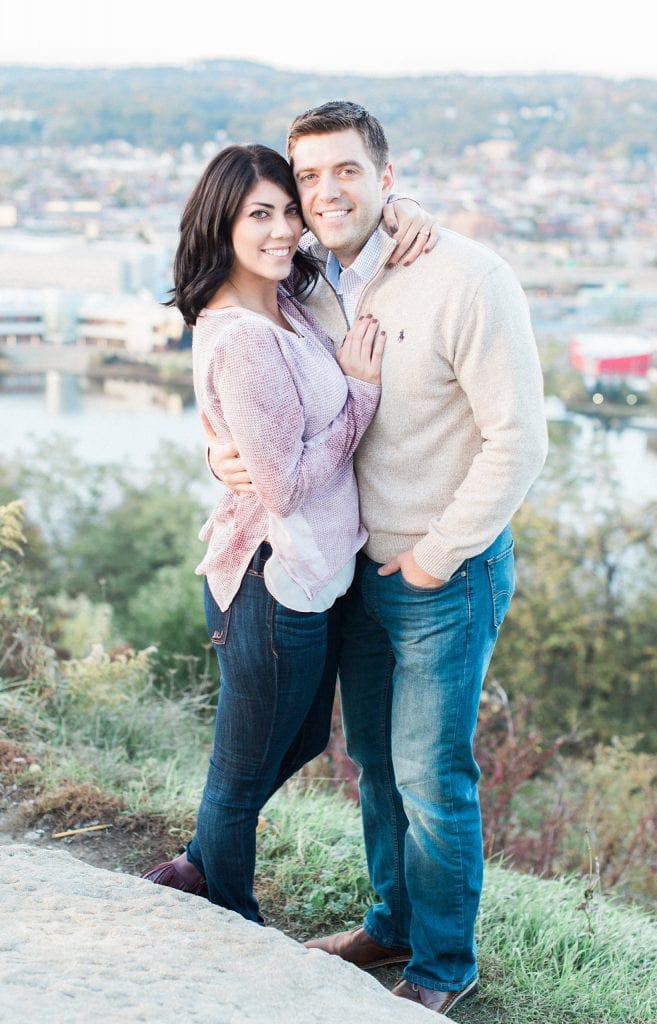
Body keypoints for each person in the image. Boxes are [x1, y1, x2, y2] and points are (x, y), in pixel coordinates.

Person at [208, 102, 548, 1013]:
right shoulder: (304, 279)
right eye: (307, 175)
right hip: (354, 565)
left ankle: (442, 967)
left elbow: (518, 442)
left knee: (432, 778)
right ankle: (389, 922)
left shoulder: (467, 277)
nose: (325, 192)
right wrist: (218, 452)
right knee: (375, 766)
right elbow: (250, 379)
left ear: (386, 178)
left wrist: (437, 555)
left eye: (345, 171)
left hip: (445, 572)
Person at [141, 143, 433, 923]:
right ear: (221, 226)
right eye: (257, 216)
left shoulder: (285, 294)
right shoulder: (242, 335)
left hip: (313, 575)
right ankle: (233, 924)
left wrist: (403, 210)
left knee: (299, 740)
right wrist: (361, 395)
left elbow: (358, 225)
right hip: (269, 581)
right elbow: (285, 485)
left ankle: (202, 857)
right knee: (238, 779)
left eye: (286, 212)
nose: (281, 231)